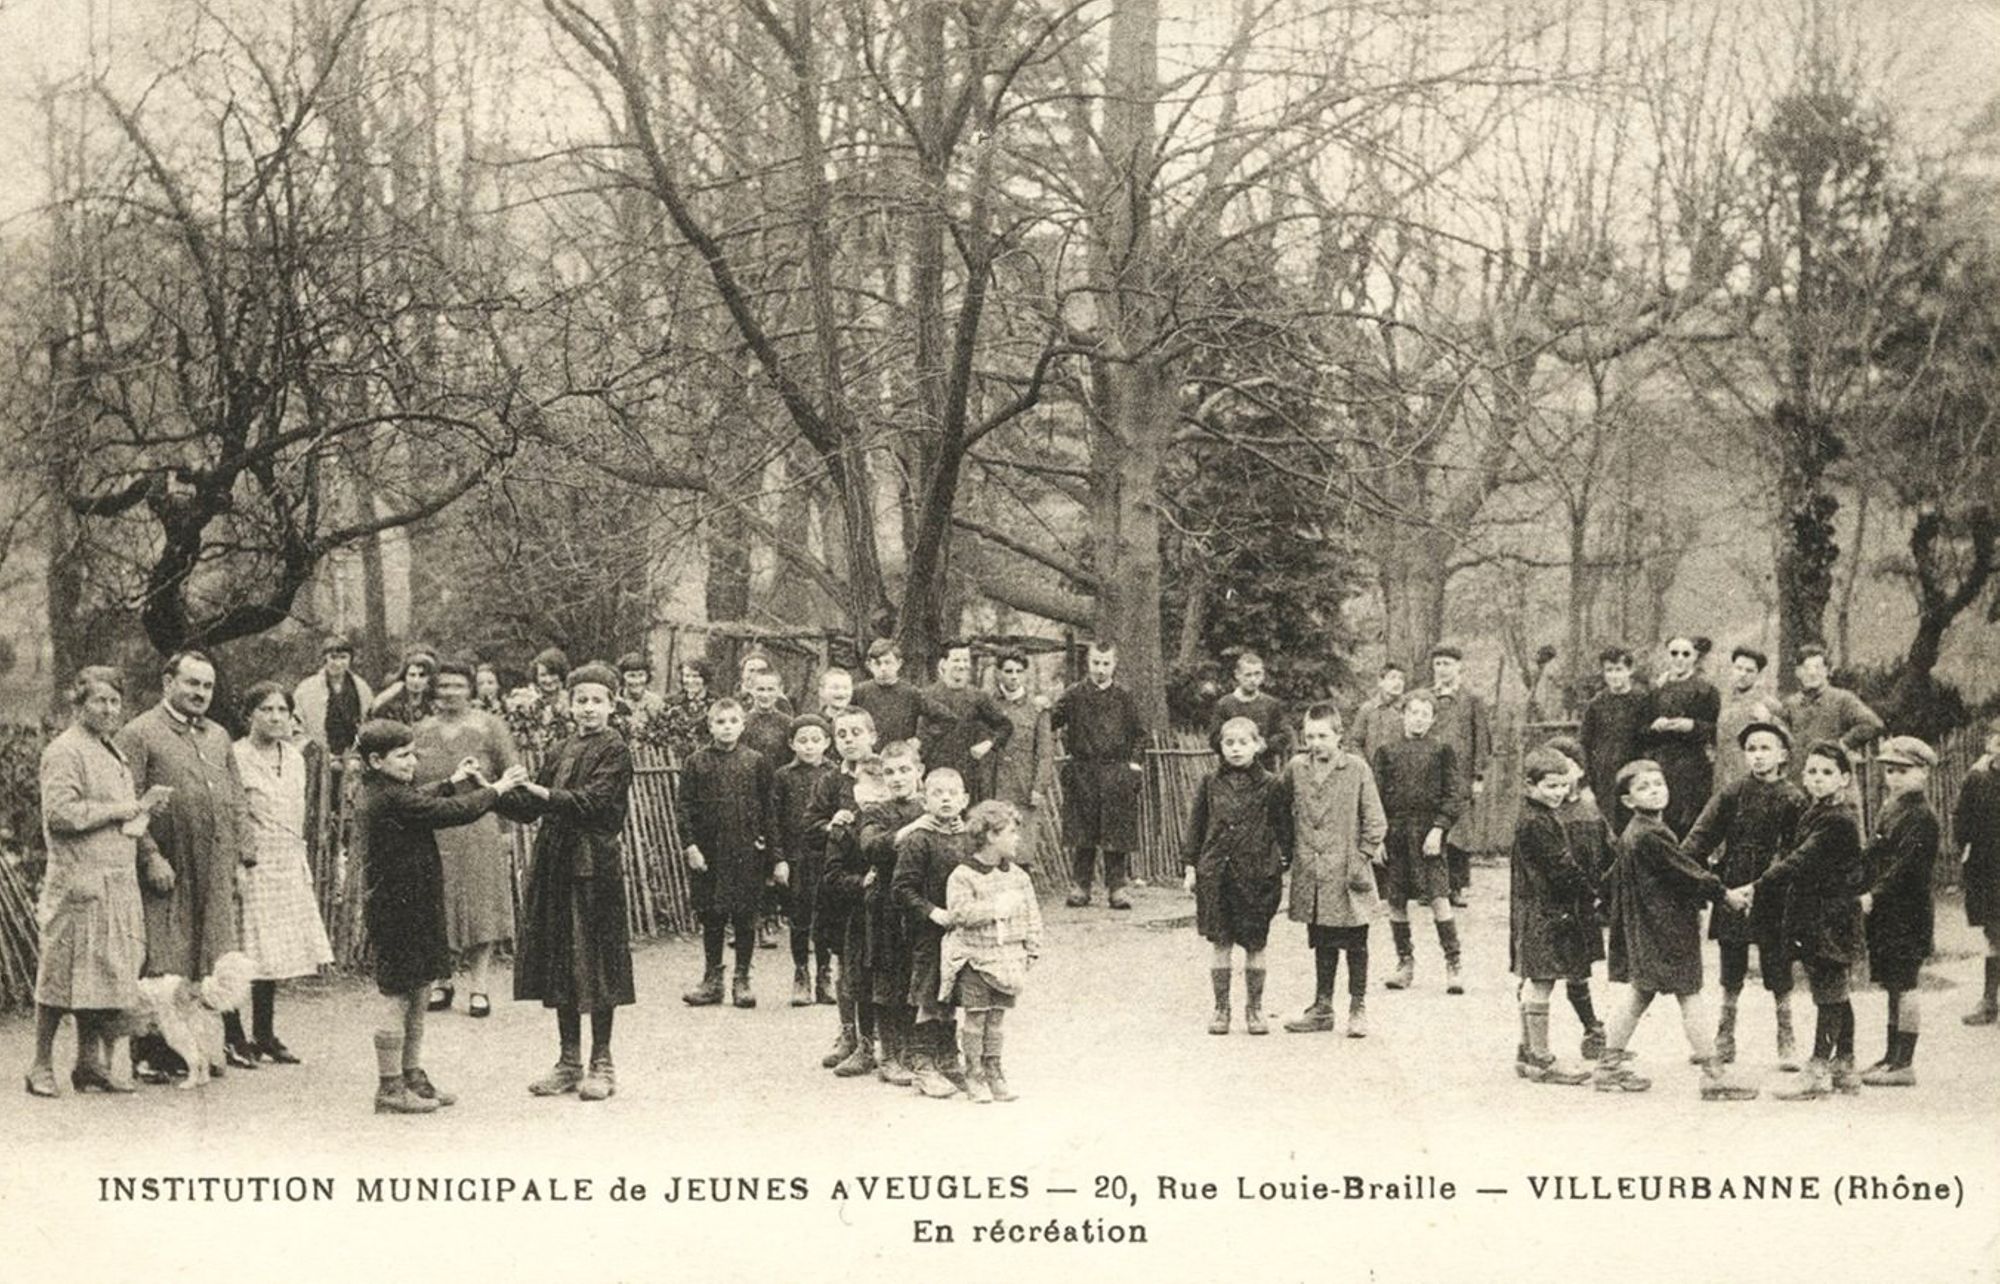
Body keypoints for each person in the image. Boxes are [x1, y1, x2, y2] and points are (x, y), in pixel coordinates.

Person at [353, 718, 525, 1114]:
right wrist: (496, 789)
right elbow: (449, 811)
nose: (412, 762)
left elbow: (429, 797)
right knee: (398, 995)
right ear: (376, 760)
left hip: (414, 905)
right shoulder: (387, 798)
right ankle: (389, 1087)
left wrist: (453, 778)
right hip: (397, 911)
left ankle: (411, 1075)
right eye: (403, 756)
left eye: (413, 753)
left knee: (417, 992)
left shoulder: (388, 790)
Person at [24, 668, 170, 1098]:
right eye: (99, 701)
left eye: (114, 702)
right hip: (79, 882)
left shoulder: (111, 750)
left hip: (115, 880)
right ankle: (40, 1066)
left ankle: (88, 1065)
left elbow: (120, 816)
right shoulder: (64, 751)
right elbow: (61, 814)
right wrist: (126, 808)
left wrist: (143, 811)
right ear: (79, 704)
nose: (108, 710)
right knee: (60, 975)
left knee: (103, 972)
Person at [501, 664, 637, 1102]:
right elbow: (530, 807)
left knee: (595, 960)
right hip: (556, 862)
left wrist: (540, 795)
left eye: (598, 701)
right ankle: (568, 1061)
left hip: (594, 865)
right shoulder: (561, 748)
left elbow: (592, 803)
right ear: (569, 704)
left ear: (612, 705)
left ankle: (602, 1061)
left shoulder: (615, 748)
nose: (589, 709)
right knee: (560, 958)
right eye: (581, 700)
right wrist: (498, 787)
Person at [117, 650, 256, 1079]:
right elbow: (130, 805)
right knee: (164, 956)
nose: (200, 693)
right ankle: (152, 1053)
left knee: (209, 957)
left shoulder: (217, 735)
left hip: (213, 866)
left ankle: (197, 1049)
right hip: (168, 868)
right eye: (191, 683)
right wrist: (151, 856)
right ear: (167, 683)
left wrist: (241, 858)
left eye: (207, 686)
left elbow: (234, 799)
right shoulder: (139, 733)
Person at [1594, 760, 1758, 1100]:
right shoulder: (1650, 834)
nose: (1655, 790)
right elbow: (1686, 872)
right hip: (1666, 929)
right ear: (1627, 801)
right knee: (1690, 994)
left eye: (1659, 783)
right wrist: (1724, 893)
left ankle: (1607, 1067)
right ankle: (1714, 1076)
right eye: (1644, 787)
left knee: (1640, 993)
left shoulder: (1636, 832)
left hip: (1649, 927)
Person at [1737, 743, 1867, 1101]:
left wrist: (1756, 886)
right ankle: (1845, 1065)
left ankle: (1818, 1068)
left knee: (1829, 989)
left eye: (1827, 772)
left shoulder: (1838, 819)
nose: (1817, 779)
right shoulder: (1816, 812)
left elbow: (1800, 860)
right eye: (1812, 771)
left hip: (1831, 915)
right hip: (1816, 914)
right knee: (1834, 988)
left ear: (1843, 778)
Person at [1679, 721, 1808, 1068]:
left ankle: (1787, 1037)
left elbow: (1803, 849)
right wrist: (1685, 866)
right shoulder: (1733, 793)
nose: (1758, 756)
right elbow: (1700, 836)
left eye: (1766, 748)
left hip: (1775, 886)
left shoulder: (1795, 798)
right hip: (1735, 882)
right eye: (1751, 749)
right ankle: (1725, 1036)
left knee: (1778, 963)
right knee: (1731, 962)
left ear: (1782, 754)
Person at [230, 683, 334, 1065]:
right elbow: (233, 814)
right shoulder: (236, 756)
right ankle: (232, 1034)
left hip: (286, 859)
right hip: (251, 860)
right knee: (243, 946)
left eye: (281, 710)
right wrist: (238, 862)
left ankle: (265, 1033)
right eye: (266, 710)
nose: (275, 717)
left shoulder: (293, 758)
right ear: (249, 715)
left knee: (271, 949)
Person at [411, 659, 522, 1018]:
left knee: (481, 905)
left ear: (471, 689)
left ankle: (479, 986)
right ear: (433, 690)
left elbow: (512, 777)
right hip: (435, 830)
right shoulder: (421, 730)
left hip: (479, 828)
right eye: (443, 686)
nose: (450, 693)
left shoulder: (490, 727)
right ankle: (443, 982)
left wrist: (506, 829)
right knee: (437, 904)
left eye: (458, 686)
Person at [1278, 705, 1386, 1038]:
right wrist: (1287, 850)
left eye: (1323, 736)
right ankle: (1322, 1007)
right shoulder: (1296, 768)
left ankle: (1357, 1007)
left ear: (1339, 735)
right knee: (1322, 939)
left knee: (1355, 942)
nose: (1316, 743)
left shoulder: (1356, 769)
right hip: (1312, 872)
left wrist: (1362, 856)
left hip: (1348, 870)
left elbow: (1376, 821)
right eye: (1309, 736)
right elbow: (1278, 809)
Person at [1183, 716, 1291, 1035]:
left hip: (1257, 876)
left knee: (1256, 943)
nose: (1236, 749)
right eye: (1229, 743)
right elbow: (1196, 828)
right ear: (1220, 746)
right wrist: (1191, 867)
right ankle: (1221, 1009)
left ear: (1257, 746)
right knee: (1221, 942)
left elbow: (1285, 831)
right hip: (1217, 874)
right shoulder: (1209, 782)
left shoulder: (1272, 785)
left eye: (1243, 742)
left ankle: (1255, 1010)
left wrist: (1277, 866)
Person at [677, 697, 776, 1009]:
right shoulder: (696, 762)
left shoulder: (756, 761)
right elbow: (684, 808)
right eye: (721, 722)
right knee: (712, 915)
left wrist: (767, 844)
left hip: (746, 851)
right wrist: (690, 846)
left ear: (742, 725)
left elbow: (767, 807)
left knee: (745, 915)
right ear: (710, 726)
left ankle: (742, 979)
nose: (727, 727)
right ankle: (712, 979)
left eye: (733, 721)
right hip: (709, 853)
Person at [942, 800, 1042, 1103]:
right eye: (1010, 832)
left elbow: (1031, 913)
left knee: (997, 1019)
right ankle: (974, 1075)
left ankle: (994, 1070)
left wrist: (1032, 946)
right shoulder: (963, 875)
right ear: (990, 835)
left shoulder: (1018, 877)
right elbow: (959, 913)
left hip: (1007, 960)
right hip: (976, 959)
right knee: (976, 1018)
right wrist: (995, 909)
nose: (1016, 839)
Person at [1509, 747, 1597, 1085]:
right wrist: (1592, 892)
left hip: (1533, 908)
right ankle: (1542, 1060)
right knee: (1542, 981)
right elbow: (1562, 868)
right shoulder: (1538, 822)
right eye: (1550, 787)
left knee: (1535, 980)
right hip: (1544, 911)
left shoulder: (1535, 815)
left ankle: (1526, 1051)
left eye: (1562, 786)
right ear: (1530, 787)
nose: (1558, 793)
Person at [1858, 736, 1940, 1086]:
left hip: (1908, 911)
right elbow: (1874, 854)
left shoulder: (1923, 817)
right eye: (1890, 770)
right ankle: (1890, 1057)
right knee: (1891, 984)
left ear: (1923, 773)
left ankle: (1905, 1063)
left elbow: (1904, 868)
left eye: (1903, 771)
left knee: (1905, 985)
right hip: (1887, 913)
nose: (1894, 778)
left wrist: (1873, 894)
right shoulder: (1891, 808)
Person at [892, 767, 977, 1098]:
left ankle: (947, 1059)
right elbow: (902, 888)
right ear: (924, 800)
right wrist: (933, 912)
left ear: (964, 800)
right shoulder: (918, 839)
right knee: (929, 994)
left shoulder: (967, 839)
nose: (945, 799)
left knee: (952, 994)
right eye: (937, 793)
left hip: (961, 931)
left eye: (952, 793)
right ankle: (923, 1064)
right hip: (928, 932)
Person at [1370, 693, 1463, 994]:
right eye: (1414, 712)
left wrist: (1439, 829)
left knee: (1438, 897)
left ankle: (1454, 963)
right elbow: (1375, 799)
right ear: (1403, 715)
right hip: (1396, 832)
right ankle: (1404, 962)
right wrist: (1378, 839)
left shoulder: (1442, 751)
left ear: (1433, 719)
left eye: (1426, 713)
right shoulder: (1386, 751)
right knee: (1395, 900)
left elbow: (1453, 794)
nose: (1419, 718)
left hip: (1428, 834)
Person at [1049, 642, 1148, 910]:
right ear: (1088, 663)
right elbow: (1050, 721)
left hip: (1116, 771)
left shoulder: (1124, 696)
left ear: (1114, 664)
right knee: (1084, 831)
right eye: (1096, 663)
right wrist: (1042, 707)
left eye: (1106, 664)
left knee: (1116, 832)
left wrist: (1134, 765)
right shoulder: (1074, 695)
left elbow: (1140, 734)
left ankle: (1117, 888)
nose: (1100, 669)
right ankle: (1081, 886)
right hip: (1083, 770)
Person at [813, 711, 882, 1075]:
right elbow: (809, 827)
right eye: (841, 734)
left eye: (857, 732)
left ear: (873, 734)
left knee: (873, 964)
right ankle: (848, 1034)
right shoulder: (829, 781)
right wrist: (831, 824)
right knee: (845, 964)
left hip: (876, 883)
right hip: (841, 886)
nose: (849, 739)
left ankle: (876, 1040)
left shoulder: (885, 773)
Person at [1539, 735, 1612, 1059]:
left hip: (1580, 905)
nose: (1559, 776)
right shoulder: (1538, 816)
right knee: (1537, 974)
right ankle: (1530, 1042)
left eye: (1565, 768)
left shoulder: (1590, 813)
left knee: (1578, 972)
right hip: (1545, 906)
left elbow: (1612, 855)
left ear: (1579, 771)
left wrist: (1601, 894)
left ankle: (1592, 1028)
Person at [859, 741, 927, 1085]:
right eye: (889, 772)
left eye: (904, 770)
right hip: (887, 906)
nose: (897, 778)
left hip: (922, 906)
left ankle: (916, 1051)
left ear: (920, 771)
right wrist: (907, 833)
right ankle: (889, 1056)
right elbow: (871, 845)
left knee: (919, 978)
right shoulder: (877, 811)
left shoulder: (931, 808)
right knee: (888, 979)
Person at [1414, 644, 1488, 906]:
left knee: (1458, 831)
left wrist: (1478, 776)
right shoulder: (1425, 698)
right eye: (1438, 664)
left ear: (1459, 667)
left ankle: (1455, 887)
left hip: (1460, 774)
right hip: (1429, 773)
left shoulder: (1471, 700)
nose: (1442, 669)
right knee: (1429, 826)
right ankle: (1430, 888)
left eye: (1447, 663)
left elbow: (1482, 738)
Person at [773, 714, 838, 1006]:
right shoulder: (783, 776)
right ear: (791, 744)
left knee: (825, 916)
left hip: (827, 856)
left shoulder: (834, 774)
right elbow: (772, 820)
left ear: (827, 742)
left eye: (816, 740)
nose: (809, 747)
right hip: (797, 857)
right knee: (799, 918)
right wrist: (779, 859)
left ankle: (825, 974)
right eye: (802, 741)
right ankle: (801, 974)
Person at [913, 639, 1013, 804]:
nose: (962, 665)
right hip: (932, 774)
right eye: (956, 660)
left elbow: (1005, 726)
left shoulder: (978, 697)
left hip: (967, 776)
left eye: (965, 660)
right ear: (943, 664)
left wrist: (988, 744)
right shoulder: (925, 696)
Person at [1642, 635, 1719, 838]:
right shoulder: (1657, 690)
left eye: (1686, 654)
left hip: (1692, 767)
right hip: (1662, 764)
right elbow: (1642, 730)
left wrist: (1693, 726)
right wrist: (1654, 726)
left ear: (1695, 657)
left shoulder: (1706, 690)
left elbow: (1716, 729)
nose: (1679, 658)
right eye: (1674, 653)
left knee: (1689, 822)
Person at [986, 649, 1053, 869]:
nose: (1013, 676)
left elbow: (1044, 753)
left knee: (1021, 849)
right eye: (1008, 671)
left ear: (1025, 674)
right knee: (993, 845)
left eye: (1018, 671)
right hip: (995, 786)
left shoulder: (1037, 708)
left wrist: (1038, 787)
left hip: (1023, 787)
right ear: (998, 673)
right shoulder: (988, 705)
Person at [1579, 646, 1653, 834]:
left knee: (1634, 826)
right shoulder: (1596, 704)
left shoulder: (1643, 700)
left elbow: (1650, 741)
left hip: (1633, 774)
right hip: (1604, 777)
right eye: (1609, 671)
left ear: (1629, 670)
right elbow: (1585, 744)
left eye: (1619, 670)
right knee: (1608, 828)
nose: (1614, 676)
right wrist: (1586, 782)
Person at [1956, 716, 2000, 1026]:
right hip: (1988, 867)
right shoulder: (1977, 778)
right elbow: (1962, 818)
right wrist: (1966, 850)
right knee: (1994, 934)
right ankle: (1989, 1001)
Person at [1780, 646, 1884, 774]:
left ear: (1827, 671)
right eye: (1806, 668)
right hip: (1799, 774)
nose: (1812, 673)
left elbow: (1873, 724)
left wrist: (1843, 745)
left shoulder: (1843, 699)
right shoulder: (1791, 703)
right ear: (1797, 672)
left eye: (1818, 667)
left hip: (1832, 772)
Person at [293, 634, 373, 761]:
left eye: (343, 658)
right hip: (318, 757)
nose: (338, 663)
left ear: (350, 659)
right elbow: (295, 726)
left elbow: (369, 723)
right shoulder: (306, 689)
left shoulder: (362, 688)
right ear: (325, 658)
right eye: (333, 658)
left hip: (353, 757)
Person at [1207, 650, 1288, 770]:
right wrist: (1234, 744)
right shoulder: (1224, 705)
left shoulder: (1271, 704)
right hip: (1231, 771)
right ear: (1237, 675)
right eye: (1248, 675)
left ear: (1263, 675)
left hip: (1264, 770)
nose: (1253, 679)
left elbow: (1283, 735)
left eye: (1257, 674)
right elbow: (1214, 740)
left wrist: (1266, 745)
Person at [1714, 647, 1781, 789]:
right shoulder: (1723, 699)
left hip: (1751, 774)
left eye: (1749, 671)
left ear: (1759, 675)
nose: (1742, 674)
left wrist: (1769, 720)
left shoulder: (1768, 703)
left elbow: (1785, 740)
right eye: (1739, 668)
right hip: (1722, 772)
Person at [852, 638, 925, 744]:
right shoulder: (860, 692)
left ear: (899, 663)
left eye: (888, 662)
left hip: (900, 754)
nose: (883, 668)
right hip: (869, 753)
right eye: (877, 663)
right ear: (869, 665)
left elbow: (943, 717)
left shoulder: (911, 693)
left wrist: (919, 738)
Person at [1349, 662, 1408, 768]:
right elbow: (1355, 742)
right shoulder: (1368, 709)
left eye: (1401, 679)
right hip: (1371, 772)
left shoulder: (1408, 709)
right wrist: (1365, 767)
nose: (1398, 682)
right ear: (1381, 681)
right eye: (1392, 677)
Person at [658, 659, 714, 759]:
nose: (690, 681)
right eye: (687, 676)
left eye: (696, 676)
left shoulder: (715, 703)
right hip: (675, 758)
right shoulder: (671, 702)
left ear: (705, 678)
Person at [372, 649, 439, 726]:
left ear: (429, 678)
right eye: (412, 675)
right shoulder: (391, 706)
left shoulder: (431, 705)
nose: (416, 681)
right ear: (405, 677)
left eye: (422, 675)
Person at [614, 651, 666, 733]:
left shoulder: (656, 703)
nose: (637, 681)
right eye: (631, 676)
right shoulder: (614, 702)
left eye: (641, 675)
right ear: (622, 677)